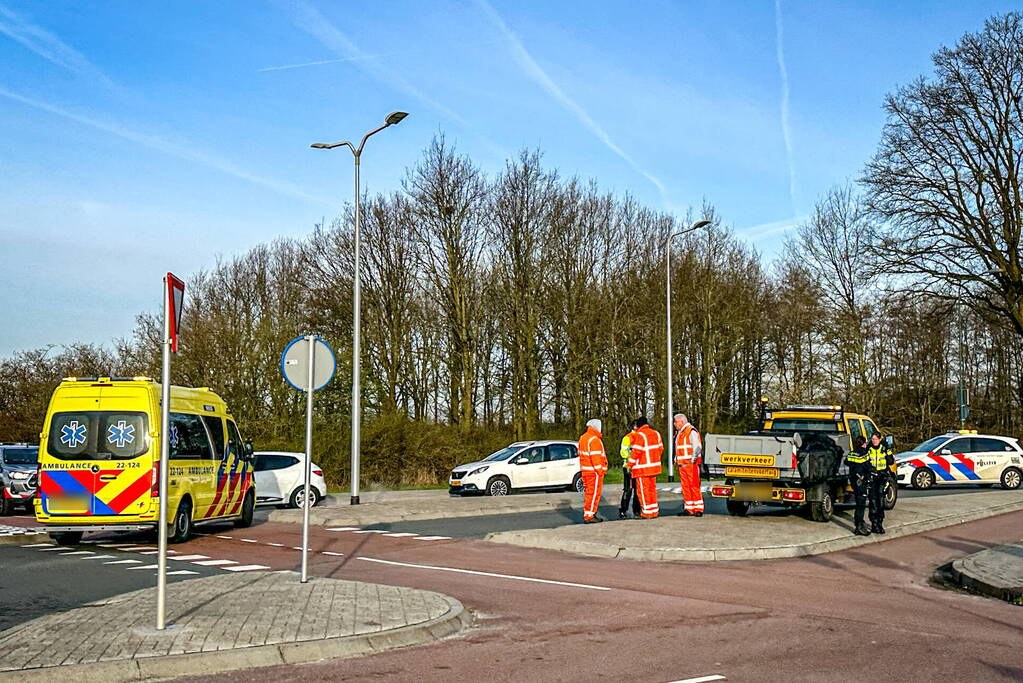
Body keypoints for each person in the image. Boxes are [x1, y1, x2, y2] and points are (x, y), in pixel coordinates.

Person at [626, 416, 663, 519]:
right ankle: (654, 511)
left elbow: (636, 452)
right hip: (654, 467)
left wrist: (630, 464)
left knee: (643, 490)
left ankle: (646, 512)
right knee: (652, 490)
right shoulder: (656, 434)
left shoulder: (640, 435)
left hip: (642, 468)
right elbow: (660, 449)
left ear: (638, 425)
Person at [577, 418, 608, 523]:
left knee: (589, 493)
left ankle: (588, 513)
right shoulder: (594, 440)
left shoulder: (583, 438)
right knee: (594, 494)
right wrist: (601, 471)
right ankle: (590, 515)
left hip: (586, 471)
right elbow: (596, 458)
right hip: (594, 472)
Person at [673, 414, 704, 517]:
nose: (674, 424)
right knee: (686, 487)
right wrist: (676, 459)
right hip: (683, 464)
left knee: (694, 486)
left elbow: (697, 447)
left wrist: (692, 460)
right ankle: (689, 508)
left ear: (681, 421)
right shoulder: (680, 433)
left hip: (691, 464)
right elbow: (678, 448)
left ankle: (698, 508)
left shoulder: (691, 431)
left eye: (675, 422)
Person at [864, 431, 894, 534]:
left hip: (882, 477)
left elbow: (891, 461)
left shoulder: (884, 448)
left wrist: (886, 454)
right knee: (872, 501)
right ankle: (874, 524)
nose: (874, 441)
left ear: (880, 439)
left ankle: (880, 523)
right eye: (872, 439)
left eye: (876, 439)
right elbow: (864, 461)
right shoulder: (869, 448)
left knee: (880, 500)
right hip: (872, 477)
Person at [846, 435, 873, 536]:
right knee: (861, 505)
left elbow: (847, 462)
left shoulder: (852, 453)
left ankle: (859, 525)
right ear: (864, 443)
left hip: (853, 480)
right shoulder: (864, 453)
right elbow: (868, 466)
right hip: (861, 481)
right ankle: (859, 526)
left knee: (858, 502)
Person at [618, 430, 642, 519]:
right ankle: (624, 510)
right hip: (629, 467)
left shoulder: (639, 436)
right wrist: (631, 459)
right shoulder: (628, 437)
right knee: (629, 490)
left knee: (636, 490)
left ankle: (635, 511)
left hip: (636, 466)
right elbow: (623, 452)